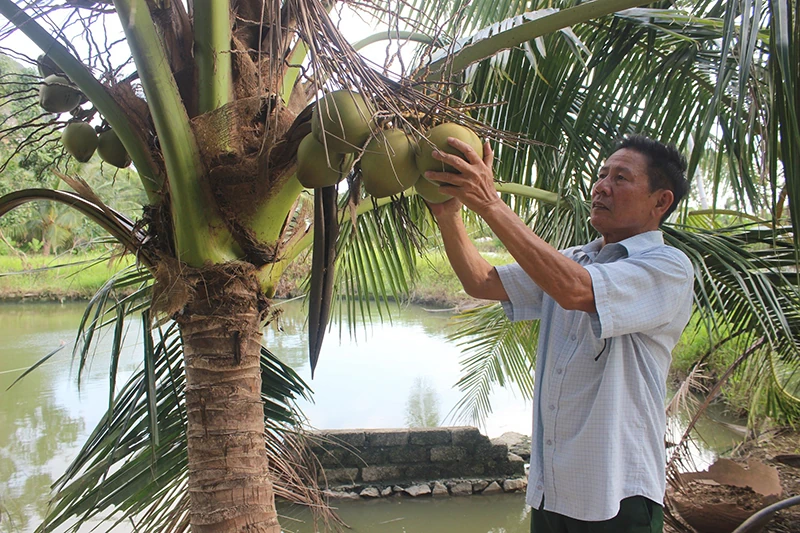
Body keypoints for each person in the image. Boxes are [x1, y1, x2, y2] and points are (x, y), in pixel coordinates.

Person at [424, 134, 693, 533]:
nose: (601, 186)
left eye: (621, 178)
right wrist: (449, 215)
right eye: (601, 174)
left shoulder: (668, 268)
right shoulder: (574, 259)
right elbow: (482, 281)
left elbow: (575, 290)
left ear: (661, 201)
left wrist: (490, 202)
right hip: (553, 490)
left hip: (617, 496)